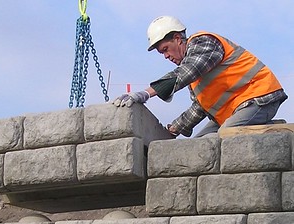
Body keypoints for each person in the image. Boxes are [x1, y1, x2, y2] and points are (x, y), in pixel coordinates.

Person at [113, 16, 288, 137]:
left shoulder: (204, 42)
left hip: (260, 97)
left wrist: (145, 93)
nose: (166, 56)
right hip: (236, 109)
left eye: (166, 49)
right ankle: (262, 127)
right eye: (162, 53)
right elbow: (200, 107)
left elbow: (188, 70)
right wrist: (173, 131)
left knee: (225, 136)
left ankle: (273, 133)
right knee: (198, 148)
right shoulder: (195, 80)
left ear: (177, 38)